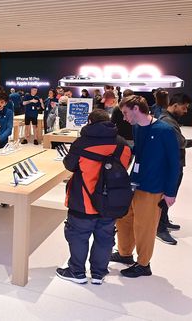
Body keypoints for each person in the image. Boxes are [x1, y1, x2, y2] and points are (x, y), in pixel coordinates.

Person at [56, 109, 132, 284]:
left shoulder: (81, 143)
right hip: (111, 201)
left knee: (78, 236)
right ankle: (98, 274)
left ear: (90, 122)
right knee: (105, 237)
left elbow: (69, 165)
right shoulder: (122, 145)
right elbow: (123, 168)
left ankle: (77, 271)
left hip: (83, 199)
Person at [111, 96, 180, 278]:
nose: (124, 118)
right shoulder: (137, 128)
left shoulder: (164, 130)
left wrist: (171, 192)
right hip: (134, 182)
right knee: (124, 219)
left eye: (125, 113)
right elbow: (139, 153)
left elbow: (175, 163)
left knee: (145, 226)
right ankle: (125, 254)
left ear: (136, 108)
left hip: (153, 187)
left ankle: (143, 264)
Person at [155, 93, 192, 245]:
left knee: (168, 196)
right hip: (171, 166)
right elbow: (180, 142)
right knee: (167, 197)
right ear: (175, 105)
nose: (185, 111)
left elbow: (180, 142)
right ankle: (160, 227)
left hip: (173, 164)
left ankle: (163, 222)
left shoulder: (168, 120)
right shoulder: (168, 122)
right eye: (184, 108)